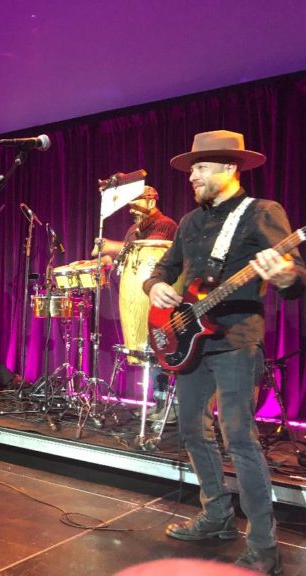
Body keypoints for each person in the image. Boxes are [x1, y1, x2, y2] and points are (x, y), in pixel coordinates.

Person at [144, 130, 305, 575]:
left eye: (200, 167)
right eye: (192, 168)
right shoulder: (189, 221)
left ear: (229, 167)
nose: (192, 176)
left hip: (236, 339)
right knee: (192, 431)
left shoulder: (262, 212)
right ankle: (216, 515)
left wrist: (285, 275)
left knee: (239, 438)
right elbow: (164, 268)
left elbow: (296, 274)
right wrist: (154, 286)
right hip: (191, 343)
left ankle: (264, 545)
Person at [94, 186, 179, 425]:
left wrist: (112, 245)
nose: (132, 210)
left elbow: (148, 251)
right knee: (148, 351)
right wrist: (105, 260)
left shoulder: (166, 224)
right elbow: (126, 257)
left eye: (136, 203)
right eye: (129, 205)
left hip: (160, 293)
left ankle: (173, 406)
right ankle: (159, 403)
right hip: (138, 293)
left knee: (162, 348)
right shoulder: (133, 230)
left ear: (151, 201)